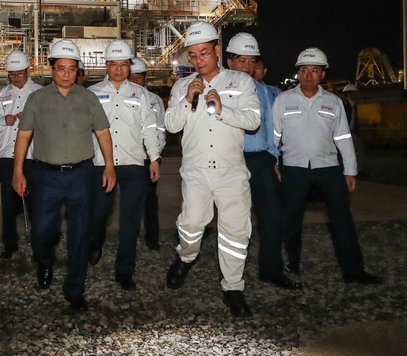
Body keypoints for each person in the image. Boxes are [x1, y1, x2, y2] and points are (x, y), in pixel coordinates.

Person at [164, 21, 260, 317]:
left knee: (234, 232)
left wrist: (222, 108)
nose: (198, 60)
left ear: (217, 50)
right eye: (193, 55)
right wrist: (186, 100)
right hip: (195, 170)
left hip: (231, 171)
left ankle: (233, 288)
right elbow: (170, 125)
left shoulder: (241, 82)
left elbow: (253, 120)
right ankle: (186, 255)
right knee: (191, 223)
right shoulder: (181, 86)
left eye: (204, 53)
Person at [13, 39, 115, 312]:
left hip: (82, 175)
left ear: (77, 70)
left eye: (71, 68)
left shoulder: (88, 97)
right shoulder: (37, 99)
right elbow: (24, 136)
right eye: (61, 68)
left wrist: (109, 166)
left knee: (80, 233)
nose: (67, 74)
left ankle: (75, 288)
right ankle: (44, 259)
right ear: (51, 69)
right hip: (46, 176)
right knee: (42, 231)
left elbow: (103, 133)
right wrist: (18, 171)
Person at [272, 48, 381, 285]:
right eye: (304, 70)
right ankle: (291, 263)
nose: (308, 75)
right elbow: (275, 136)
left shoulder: (333, 103)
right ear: (298, 73)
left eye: (314, 70)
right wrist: (275, 164)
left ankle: (353, 271)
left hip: (328, 168)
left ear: (322, 74)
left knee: (342, 220)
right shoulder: (283, 100)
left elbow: (343, 137)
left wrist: (350, 170)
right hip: (294, 168)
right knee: (291, 219)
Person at [225, 33, 302, 291]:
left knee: (272, 216)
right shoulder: (219, 88)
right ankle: (232, 276)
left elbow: (273, 128)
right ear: (229, 62)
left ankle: (271, 270)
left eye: (251, 61)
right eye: (241, 60)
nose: (247, 66)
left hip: (262, 161)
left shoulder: (267, 93)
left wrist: (276, 159)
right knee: (233, 220)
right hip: (232, 160)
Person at [88, 41, 161, 291]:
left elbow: (149, 128)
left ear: (130, 65)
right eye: (113, 64)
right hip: (100, 164)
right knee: (99, 212)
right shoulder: (92, 93)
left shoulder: (141, 95)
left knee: (131, 221)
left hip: (132, 165)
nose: (119, 69)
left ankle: (125, 270)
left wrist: (153, 158)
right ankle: (95, 242)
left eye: (123, 64)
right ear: (106, 66)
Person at [0, 49, 42, 259]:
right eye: (13, 74)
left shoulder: (39, 93)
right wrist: (4, 120)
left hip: (33, 156)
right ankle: (9, 244)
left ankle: (39, 244)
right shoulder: (2, 95)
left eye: (20, 73)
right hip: (7, 156)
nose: (17, 77)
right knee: (8, 204)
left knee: (36, 203)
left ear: (28, 71)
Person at [128, 57, 167, 250]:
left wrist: (156, 156)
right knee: (129, 201)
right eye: (132, 77)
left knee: (150, 199)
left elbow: (160, 129)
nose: (135, 81)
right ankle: (130, 235)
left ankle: (152, 237)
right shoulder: (124, 99)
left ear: (145, 78)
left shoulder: (155, 100)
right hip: (128, 157)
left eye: (138, 77)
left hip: (148, 159)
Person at [342, 84, 365, 175]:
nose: (356, 95)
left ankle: (353, 170)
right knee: (359, 149)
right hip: (345, 132)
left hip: (350, 132)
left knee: (352, 151)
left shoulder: (353, 106)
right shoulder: (344, 105)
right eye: (354, 93)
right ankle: (358, 170)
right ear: (349, 94)